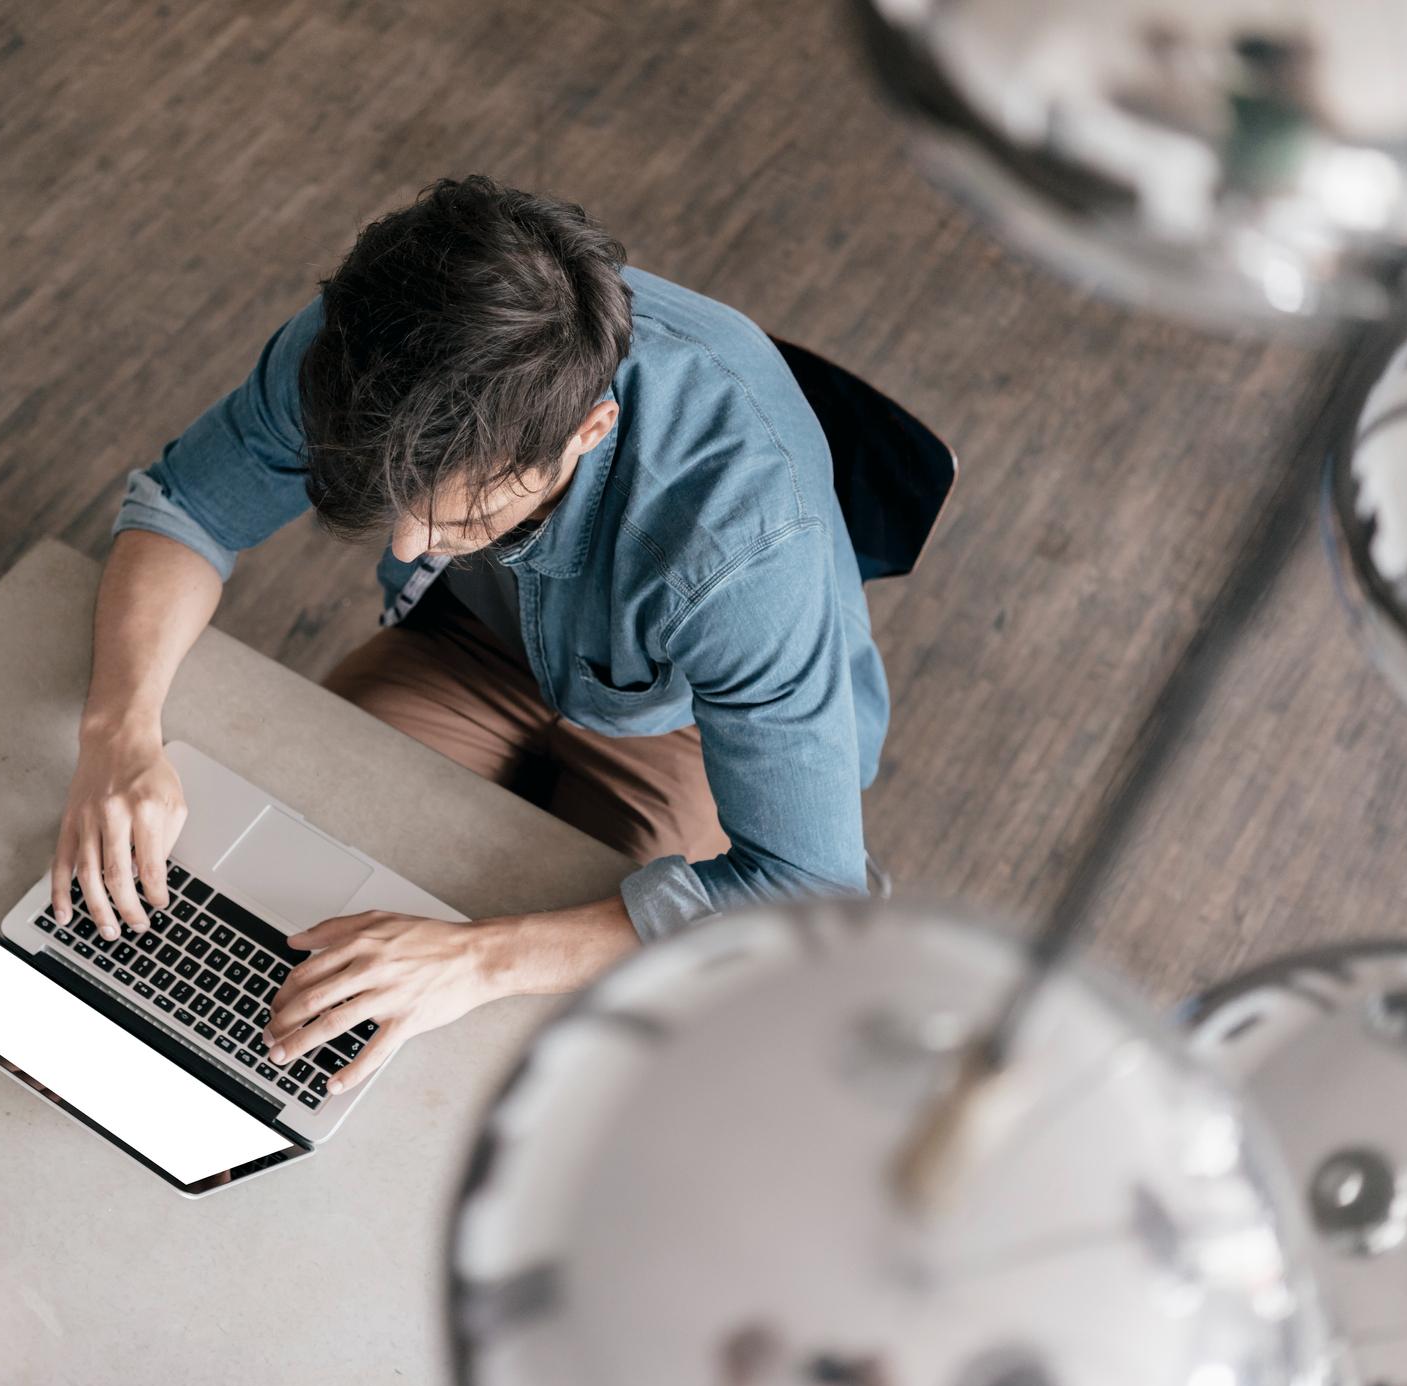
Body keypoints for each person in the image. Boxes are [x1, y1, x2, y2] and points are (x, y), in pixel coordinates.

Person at [48, 175, 888, 1090]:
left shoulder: (744, 549)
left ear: (587, 432)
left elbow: (804, 894)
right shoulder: (365, 341)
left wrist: (477, 961)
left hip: (687, 720)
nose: (409, 545)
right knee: (276, 899)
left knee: (555, 1056)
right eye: (398, 507)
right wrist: (117, 731)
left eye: (457, 522)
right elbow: (186, 506)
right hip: (471, 644)